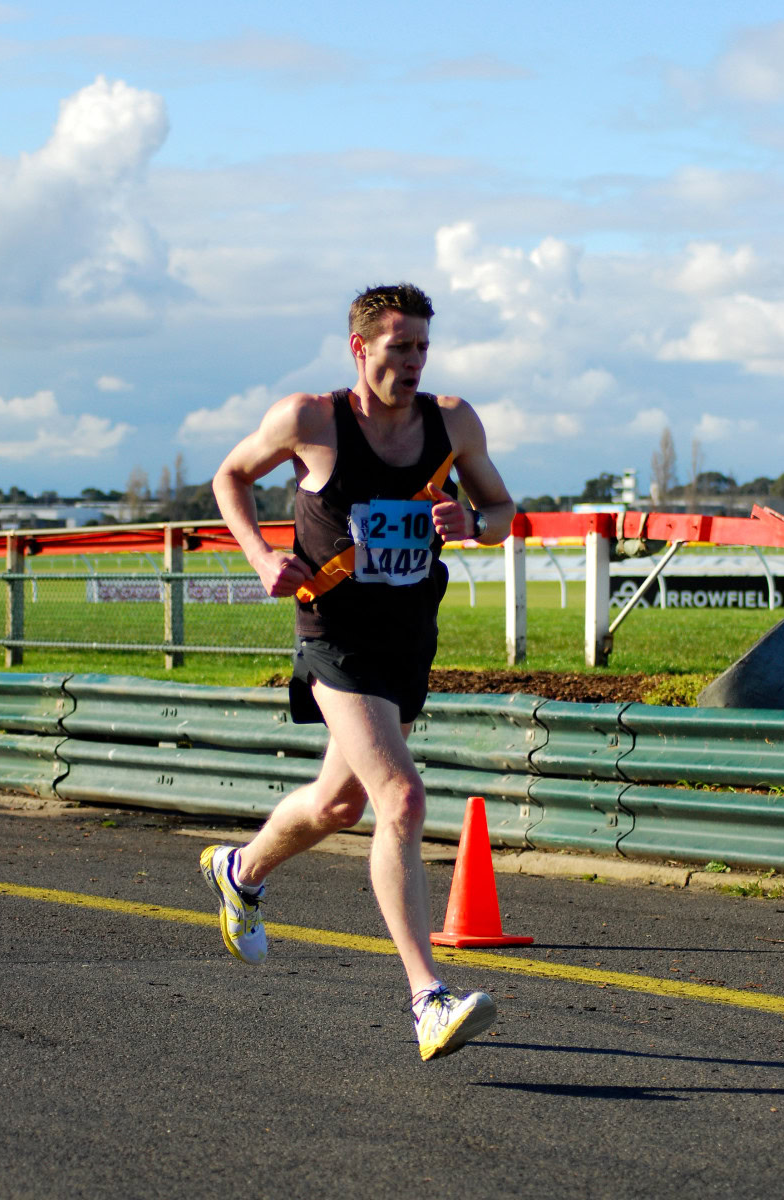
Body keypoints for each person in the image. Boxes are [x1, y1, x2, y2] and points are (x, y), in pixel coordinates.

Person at [202, 282, 516, 1060]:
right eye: (397, 347)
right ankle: (428, 999)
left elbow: (506, 510)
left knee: (340, 805)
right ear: (360, 348)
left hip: (408, 639)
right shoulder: (311, 418)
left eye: (421, 348)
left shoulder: (454, 421)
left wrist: (473, 524)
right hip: (334, 635)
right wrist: (261, 554)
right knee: (401, 798)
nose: (411, 362)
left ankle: (240, 871)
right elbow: (229, 477)